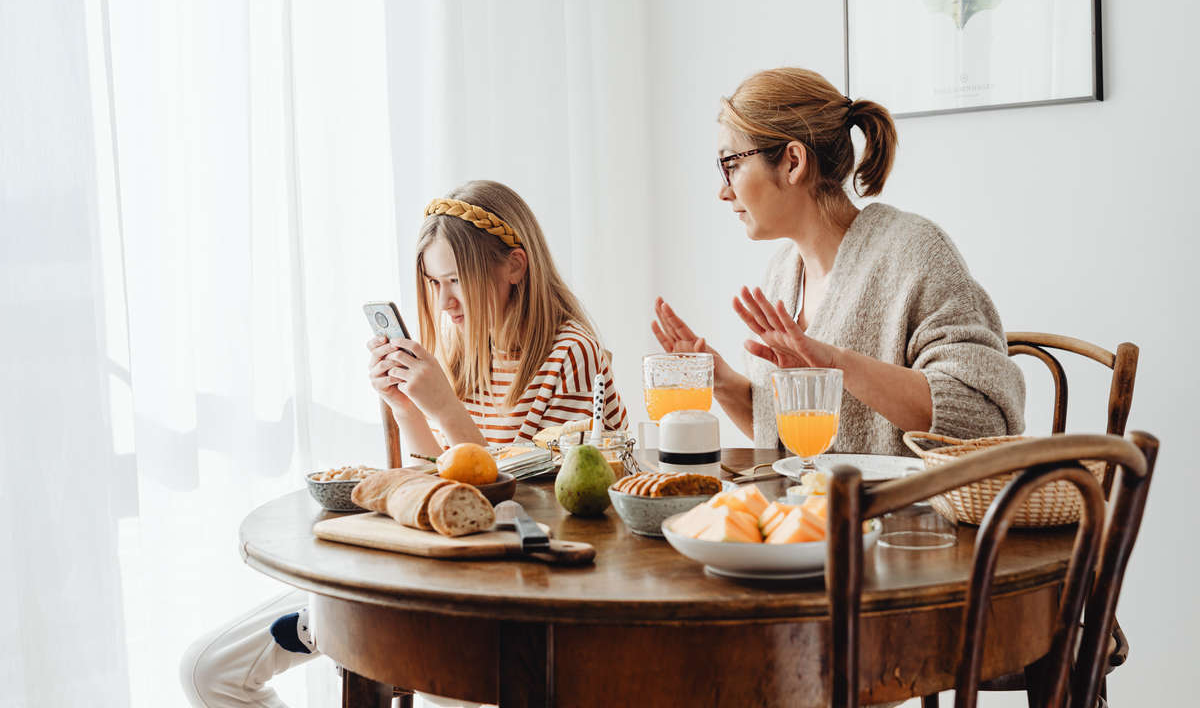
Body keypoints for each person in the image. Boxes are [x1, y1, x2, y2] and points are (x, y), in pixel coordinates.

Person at [181, 180, 627, 707]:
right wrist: (407, 408)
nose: (445, 302)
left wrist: (444, 409)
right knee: (206, 669)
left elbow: (533, 516)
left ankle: (341, 619)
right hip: (427, 571)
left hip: (510, 597)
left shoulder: (570, 353)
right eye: (434, 283)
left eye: (456, 280)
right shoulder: (468, 346)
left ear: (515, 266)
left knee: (437, 685)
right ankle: (339, 616)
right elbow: (433, 485)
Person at [652, 67, 1024, 456]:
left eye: (732, 164)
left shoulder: (914, 253)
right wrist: (720, 380)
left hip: (909, 514)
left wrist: (834, 364)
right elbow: (788, 446)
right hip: (814, 510)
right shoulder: (782, 275)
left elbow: (983, 420)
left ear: (793, 162)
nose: (722, 190)